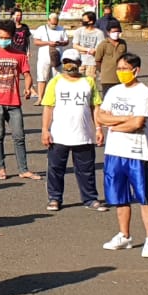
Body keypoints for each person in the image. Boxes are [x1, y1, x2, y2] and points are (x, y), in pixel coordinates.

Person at [96, 53, 148, 258]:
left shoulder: (143, 92)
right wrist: (123, 119)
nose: (121, 72)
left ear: (136, 70)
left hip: (137, 152)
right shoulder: (113, 91)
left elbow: (137, 123)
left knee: (143, 197)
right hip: (114, 152)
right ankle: (125, 235)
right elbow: (101, 116)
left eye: (125, 68)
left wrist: (114, 123)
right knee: (119, 196)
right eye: (119, 68)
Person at [41, 50, 107, 212]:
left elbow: (95, 107)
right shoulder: (55, 82)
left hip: (84, 134)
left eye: (73, 62)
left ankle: (90, 198)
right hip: (59, 135)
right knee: (56, 168)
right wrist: (45, 130)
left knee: (86, 169)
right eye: (66, 62)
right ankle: (55, 198)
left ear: (79, 64)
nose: (70, 65)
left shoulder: (88, 82)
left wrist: (98, 128)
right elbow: (48, 107)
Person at [0, 21, 38, 180]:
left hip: (13, 103)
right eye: (0, 37)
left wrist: (27, 87)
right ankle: (1, 168)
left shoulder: (19, 55)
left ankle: (23, 169)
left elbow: (27, 74)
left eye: (6, 37)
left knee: (19, 136)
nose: (3, 40)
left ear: (12, 37)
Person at [33, 12, 69, 105]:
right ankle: (40, 98)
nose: (54, 25)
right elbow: (36, 42)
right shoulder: (41, 29)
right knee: (42, 77)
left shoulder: (61, 29)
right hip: (44, 57)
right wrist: (48, 43)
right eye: (52, 23)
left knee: (56, 78)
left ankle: (55, 98)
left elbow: (66, 41)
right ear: (48, 21)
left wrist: (60, 43)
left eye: (55, 23)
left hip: (57, 57)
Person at [94, 21, 128, 94]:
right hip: (107, 79)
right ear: (108, 32)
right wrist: (102, 71)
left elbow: (125, 58)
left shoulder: (123, 43)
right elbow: (97, 61)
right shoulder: (103, 45)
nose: (116, 34)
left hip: (121, 77)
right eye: (114, 32)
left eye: (118, 32)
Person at [71, 11, 105, 79]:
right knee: (77, 81)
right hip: (79, 61)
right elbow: (75, 45)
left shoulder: (99, 33)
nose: (82, 21)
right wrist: (88, 50)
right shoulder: (79, 31)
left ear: (91, 21)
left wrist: (82, 49)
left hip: (92, 62)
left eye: (84, 20)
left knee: (90, 81)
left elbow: (99, 48)